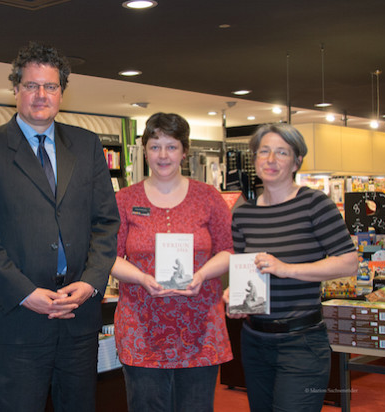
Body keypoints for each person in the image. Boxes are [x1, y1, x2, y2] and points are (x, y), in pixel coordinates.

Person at [0, 42, 120, 412]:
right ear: (15, 89)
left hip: (78, 319)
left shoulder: (86, 145)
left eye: (50, 86)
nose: (40, 95)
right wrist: (24, 292)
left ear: (61, 92)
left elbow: (106, 223)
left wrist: (91, 282)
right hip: (18, 320)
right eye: (31, 85)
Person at [225, 123, 358, 412]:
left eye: (282, 153)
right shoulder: (243, 214)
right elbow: (247, 268)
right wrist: (234, 293)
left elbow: (349, 262)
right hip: (254, 339)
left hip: (301, 342)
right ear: (254, 158)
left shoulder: (314, 203)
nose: (271, 160)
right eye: (264, 151)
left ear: (297, 161)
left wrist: (287, 269)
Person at [110, 112, 233, 412]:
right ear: (144, 151)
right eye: (155, 146)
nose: (162, 155)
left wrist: (203, 274)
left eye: (171, 146)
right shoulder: (125, 200)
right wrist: (141, 278)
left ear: (184, 151)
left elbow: (229, 250)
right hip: (142, 329)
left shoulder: (208, 197)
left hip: (200, 328)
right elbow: (107, 257)